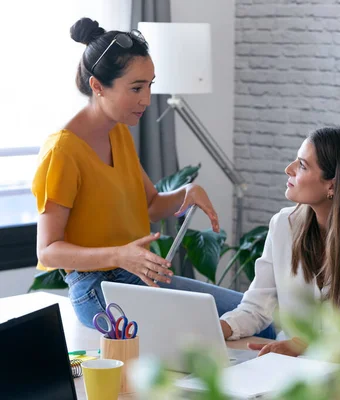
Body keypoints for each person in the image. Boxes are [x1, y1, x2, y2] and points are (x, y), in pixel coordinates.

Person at [32, 18, 223, 329]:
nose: (146, 99)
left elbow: (150, 205)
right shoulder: (62, 151)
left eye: (150, 85)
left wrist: (186, 193)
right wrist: (120, 255)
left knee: (249, 317)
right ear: (97, 86)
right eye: (136, 88)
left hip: (138, 275)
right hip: (98, 287)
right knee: (202, 334)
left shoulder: (118, 132)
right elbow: (48, 251)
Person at [216, 127, 340, 357]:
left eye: (302, 165)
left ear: (332, 184)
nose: (288, 169)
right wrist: (216, 329)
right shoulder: (283, 224)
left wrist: (305, 346)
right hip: (285, 364)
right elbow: (257, 307)